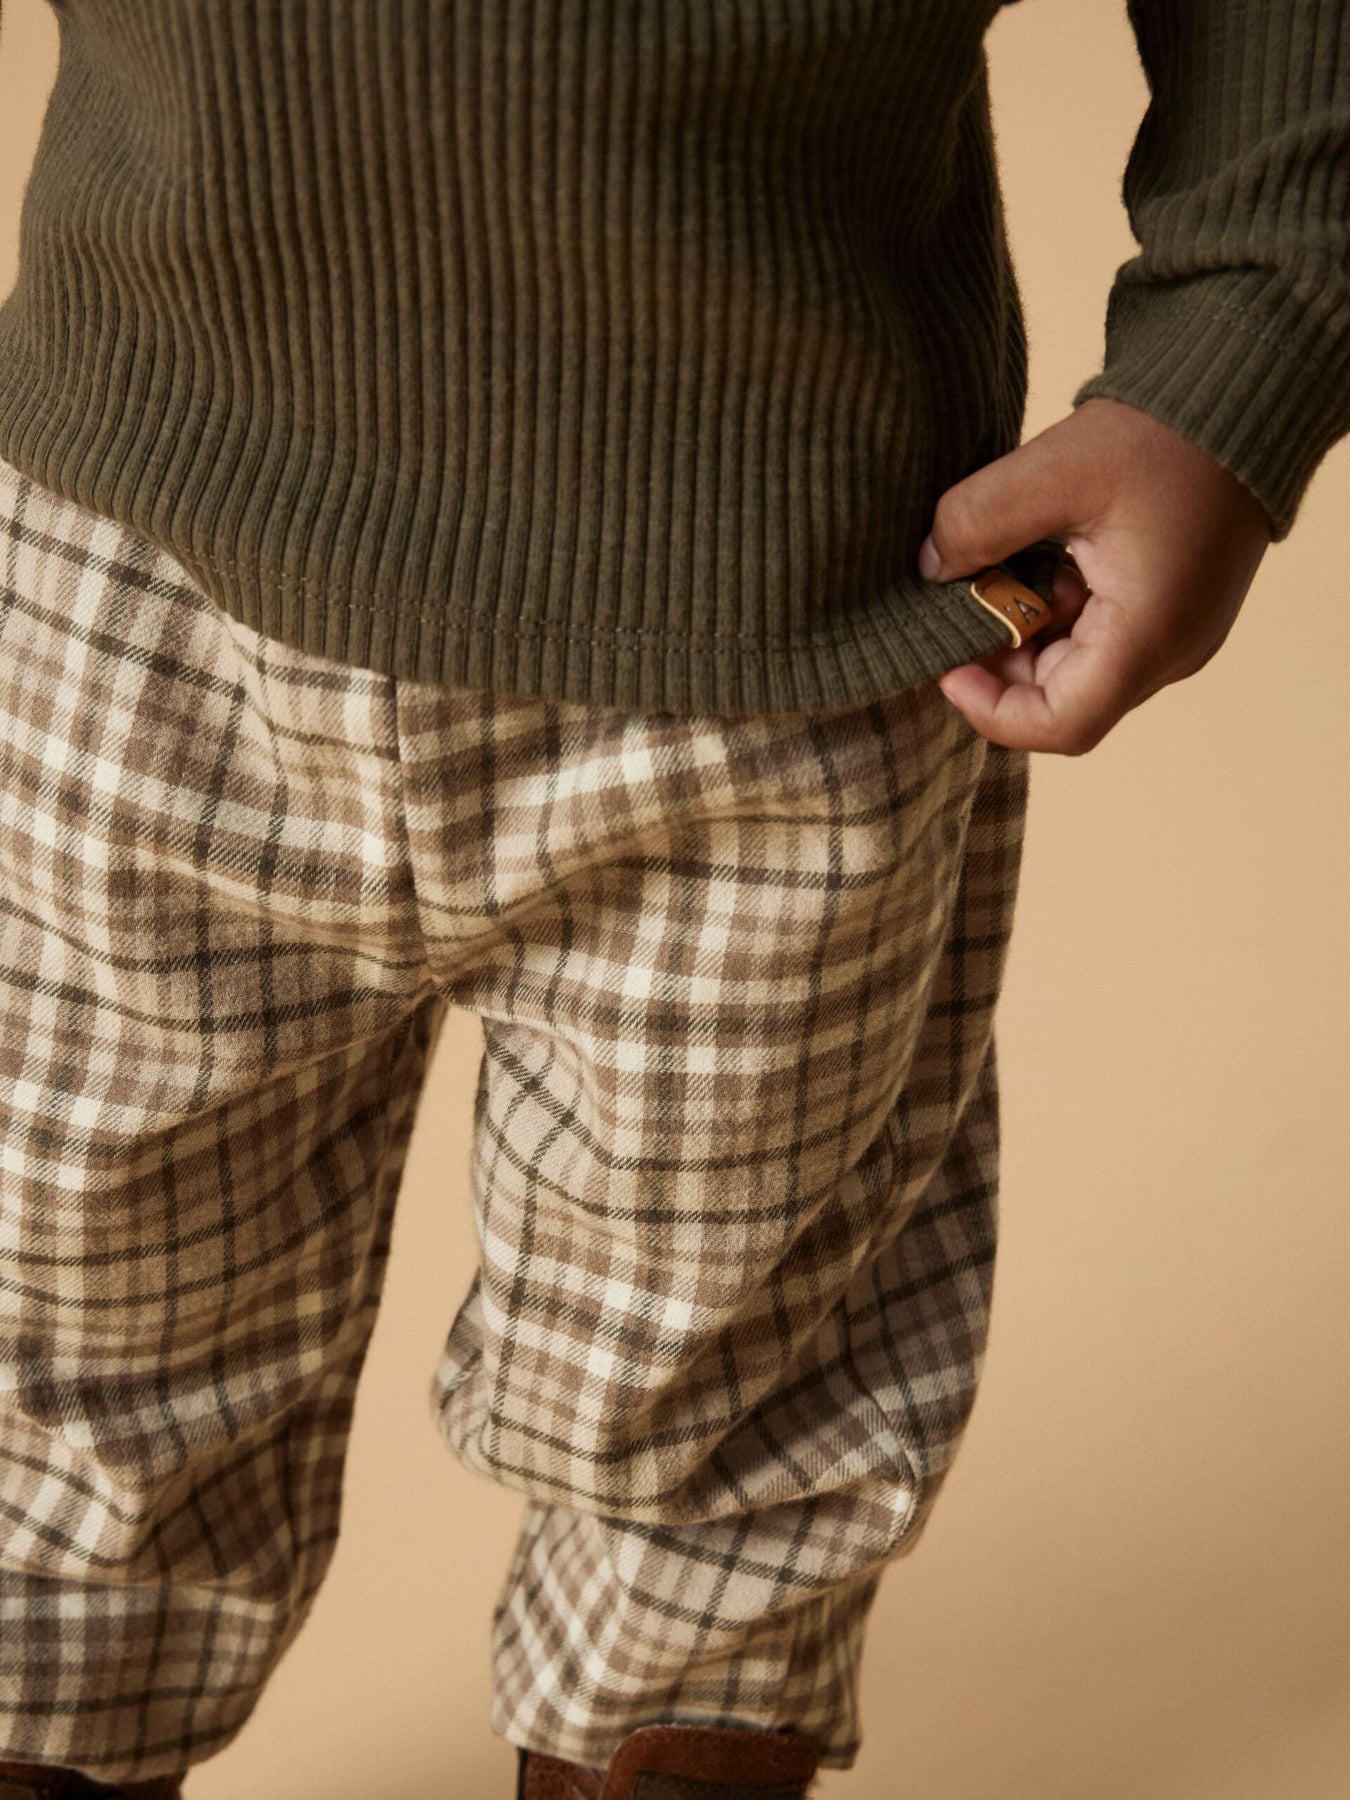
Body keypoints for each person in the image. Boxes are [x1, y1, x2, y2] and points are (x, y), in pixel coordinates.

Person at [0, 3, 1344, 1797]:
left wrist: (1245, 329)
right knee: (61, 1327)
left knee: (724, 1408)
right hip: (131, 543)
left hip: (790, 608)